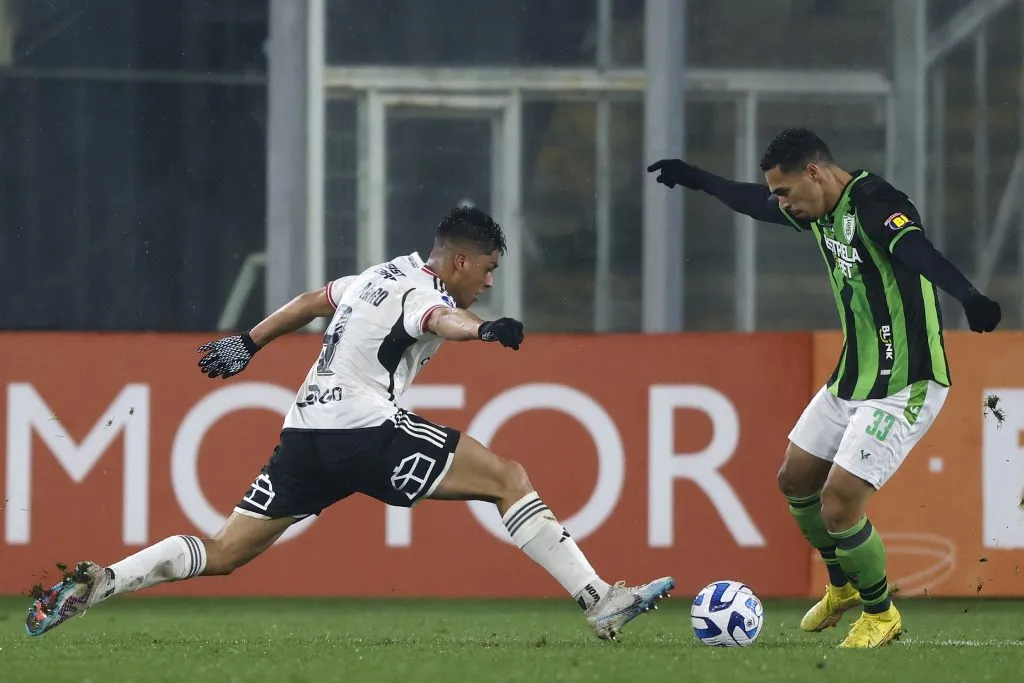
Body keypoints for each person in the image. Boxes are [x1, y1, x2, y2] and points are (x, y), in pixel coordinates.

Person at [25, 206, 673, 641]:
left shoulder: (377, 275)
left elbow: (314, 300)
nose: (488, 282)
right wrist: (483, 331)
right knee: (508, 477)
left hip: (304, 433)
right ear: (459, 262)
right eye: (488, 269)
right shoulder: (428, 293)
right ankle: (598, 600)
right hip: (363, 429)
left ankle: (106, 581)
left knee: (223, 552)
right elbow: (439, 319)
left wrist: (248, 341)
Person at [647, 128, 1001, 648]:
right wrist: (696, 178)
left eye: (785, 191)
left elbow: (919, 251)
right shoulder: (815, 209)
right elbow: (755, 202)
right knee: (795, 480)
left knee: (839, 502)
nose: (781, 202)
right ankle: (843, 586)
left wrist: (969, 296)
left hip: (906, 382)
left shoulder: (875, 202)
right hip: (852, 378)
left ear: (814, 172)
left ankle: (881, 613)